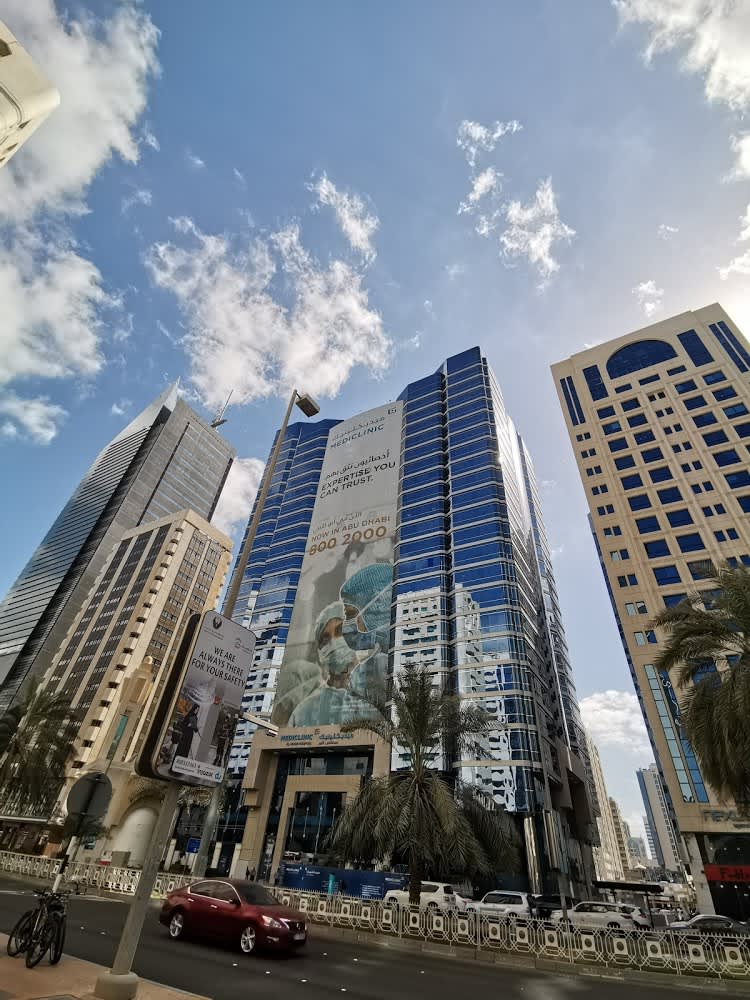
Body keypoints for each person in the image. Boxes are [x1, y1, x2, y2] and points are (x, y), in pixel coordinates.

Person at [288, 602, 383, 726]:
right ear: (320, 652)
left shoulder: (378, 688)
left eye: (340, 631)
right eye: (325, 638)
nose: (334, 641)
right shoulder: (304, 712)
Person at [171, 705, 199, 770]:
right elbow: (194, 729)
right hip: (187, 735)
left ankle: (177, 767)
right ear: (194, 709)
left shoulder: (191, 715)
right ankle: (177, 768)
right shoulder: (192, 716)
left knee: (182, 750)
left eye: (198, 709)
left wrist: (191, 726)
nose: (197, 710)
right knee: (183, 750)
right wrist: (190, 726)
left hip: (186, 735)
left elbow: (186, 725)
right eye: (196, 709)